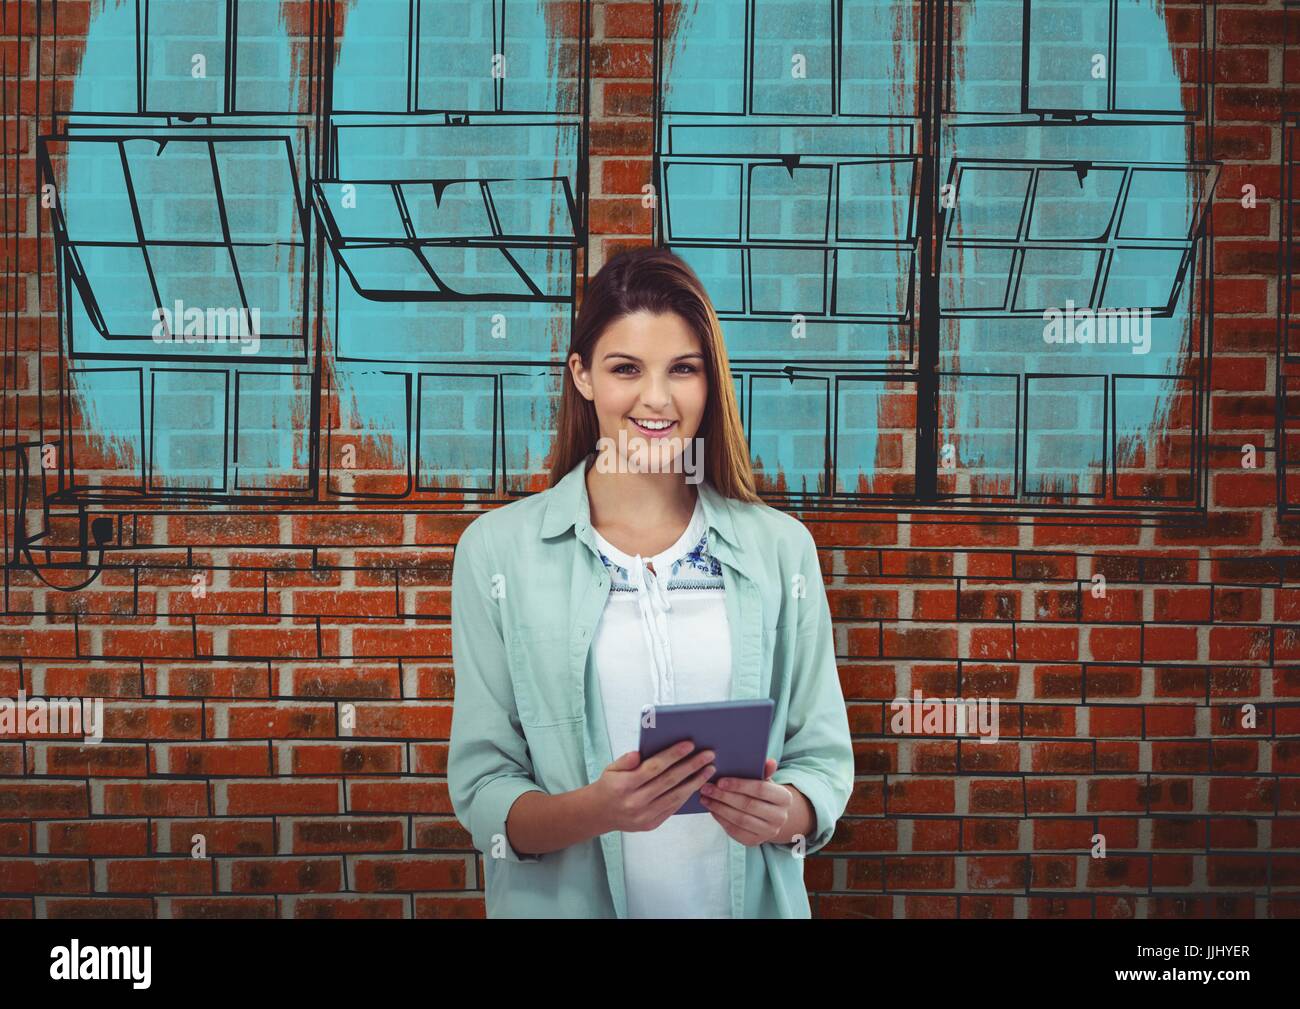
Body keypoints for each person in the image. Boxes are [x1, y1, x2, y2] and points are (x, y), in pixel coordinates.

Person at [447, 246, 854, 918]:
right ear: (580, 374)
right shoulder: (497, 553)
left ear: (709, 381)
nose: (657, 398)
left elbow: (823, 757)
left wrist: (784, 813)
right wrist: (595, 811)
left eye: (683, 369)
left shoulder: (782, 550)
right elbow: (485, 788)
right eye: (626, 368)